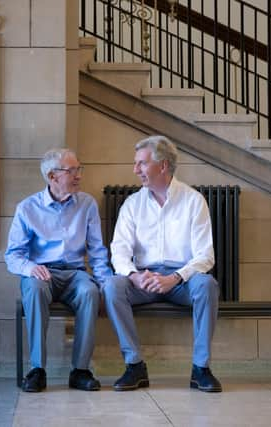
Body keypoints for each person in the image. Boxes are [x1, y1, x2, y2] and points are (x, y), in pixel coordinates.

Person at [103, 135, 222, 392]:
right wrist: (133, 275)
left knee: (207, 285)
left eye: (142, 164)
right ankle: (134, 365)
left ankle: (201, 368)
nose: (136, 170)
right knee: (112, 286)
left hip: (182, 282)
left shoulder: (193, 201)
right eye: (136, 164)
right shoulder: (132, 204)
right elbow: (119, 250)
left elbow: (205, 256)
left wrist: (175, 278)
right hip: (143, 279)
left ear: (163, 165)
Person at [5, 148, 112, 393]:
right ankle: (37, 369)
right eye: (71, 171)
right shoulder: (28, 208)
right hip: (43, 273)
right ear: (52, 176)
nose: (78, 176)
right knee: (32, 287)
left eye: (79, 169)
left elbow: (97, 251)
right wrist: (31, 267)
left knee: (90, 292)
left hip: (75, 273)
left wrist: (104, 283)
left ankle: (80, 370)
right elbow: (13, 255)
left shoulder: (87, 204)